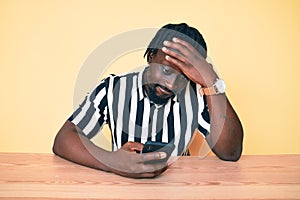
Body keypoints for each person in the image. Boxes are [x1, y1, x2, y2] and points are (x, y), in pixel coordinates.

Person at [53, 23, 244, 178]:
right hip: (123, 188)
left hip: (179, 189)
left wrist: (211, 80)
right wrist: (111, 162)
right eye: (166, 70)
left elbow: (230, 152)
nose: (171, 83)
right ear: (151, 56)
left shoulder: (198, 95)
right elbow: (64, 138)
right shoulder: (113, 89)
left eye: (183, 77)